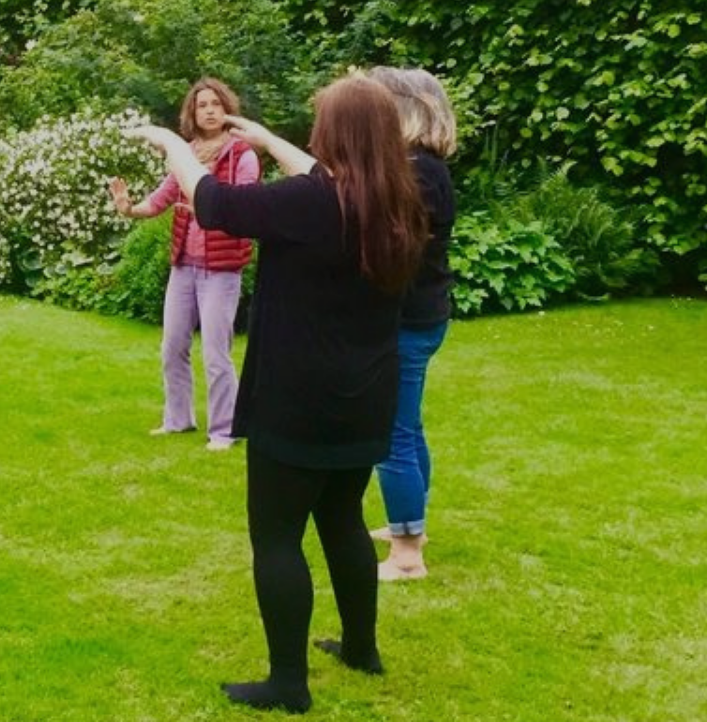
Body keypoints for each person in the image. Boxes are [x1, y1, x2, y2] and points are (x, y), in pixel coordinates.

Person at [127, 75, 427, 714]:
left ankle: (288, 683)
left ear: (335, 134)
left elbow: (213, 203)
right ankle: (361, 649)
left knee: (278, 537)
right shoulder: (398, 201)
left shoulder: (310, 204)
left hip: (298, 399)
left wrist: (171, 146)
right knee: (342, 519)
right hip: (364, 398)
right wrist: (264, 138)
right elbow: (322, 178)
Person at [110, 78, 260, 451]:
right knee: (172, 346)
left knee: (215, 353)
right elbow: (160, 200)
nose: (209, 110)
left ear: (227, 109)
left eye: (215, 104)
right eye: (201, 105)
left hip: (221, 270)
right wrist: (128, 208)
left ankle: (225, 430)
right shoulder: (186, 153)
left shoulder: (242, 155)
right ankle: (178, 420)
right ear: (192, 113)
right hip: (184, 267)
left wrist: (208, 209)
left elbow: (246, 207)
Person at [365, 67, 457, 580]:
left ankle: (406, 555)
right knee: (408, 426)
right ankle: (410, 525)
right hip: (422, 315)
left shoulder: (418, 172)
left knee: (391, 433)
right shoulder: (423, 166)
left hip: (408, 321)